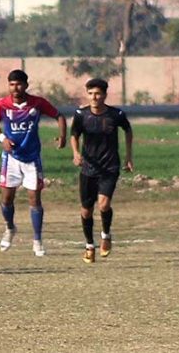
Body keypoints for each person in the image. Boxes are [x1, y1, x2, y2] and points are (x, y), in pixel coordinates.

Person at [0, 69, 66, 257]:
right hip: (11, 158)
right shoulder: (2, 104)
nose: (15, 88)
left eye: (19, 84)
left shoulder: (37, 103)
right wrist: (2, 138)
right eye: (12, 84)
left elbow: (59, 116)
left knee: (35, 199)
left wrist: (63, 137)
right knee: (7, 199)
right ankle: (9, 228)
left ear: (26, 85)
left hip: (32, 158)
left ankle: (37, 240)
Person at [70, 78, 133, 263]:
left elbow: (128, 131)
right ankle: (89, 245)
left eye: (97, 93)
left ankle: (106, 235)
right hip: (88, 168)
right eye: (90, 93)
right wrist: (75, 153)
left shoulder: (116, 114)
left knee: (104, 205)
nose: (94, 97)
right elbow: (74, 135)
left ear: (105, 95)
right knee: (86, 211)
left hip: (109, 166)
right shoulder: (81, 114)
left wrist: (129, 156)